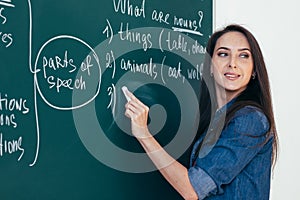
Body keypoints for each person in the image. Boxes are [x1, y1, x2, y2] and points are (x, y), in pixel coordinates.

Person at [123, 24, 279, 200]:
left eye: (243, 56)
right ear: (211, 66)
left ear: (254, 71)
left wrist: (144, 134)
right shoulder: (218, 120)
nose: (232, 64)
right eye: (223, 54)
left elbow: (193, 189)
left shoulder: (249, 120)